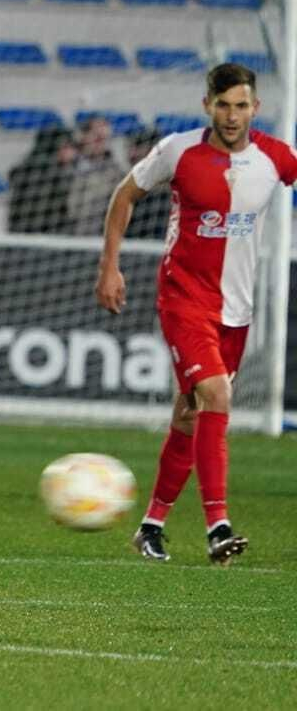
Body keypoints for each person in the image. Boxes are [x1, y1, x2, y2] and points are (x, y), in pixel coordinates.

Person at [95, 62, 294, 566]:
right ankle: (217, 526)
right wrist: (110, 267)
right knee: (216, 394)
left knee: (189, 414)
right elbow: (126, 194)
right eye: (223, 105)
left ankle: (151, 526)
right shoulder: (178, 151)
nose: (232, 116)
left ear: (256, 108)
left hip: (237, 309)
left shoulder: (275, 157)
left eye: (241, 105)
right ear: (207, 105)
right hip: (183, 300)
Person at [7, 125, 75, 234]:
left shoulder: (27, 168)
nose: (73, 153)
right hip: (41, 239)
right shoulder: (50, 175)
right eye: (69, 147)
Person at [67, 115, 126, 235]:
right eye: (97, 138)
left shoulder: (115, 174)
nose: (100, 144)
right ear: (83, 137)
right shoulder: (66, 167)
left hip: (98, 237)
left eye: (104, 139)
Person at [123, 126, 171, 240]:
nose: (132, 153)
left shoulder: (168, 190)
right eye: (131, 146)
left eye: (138, 146)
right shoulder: (125, 184)